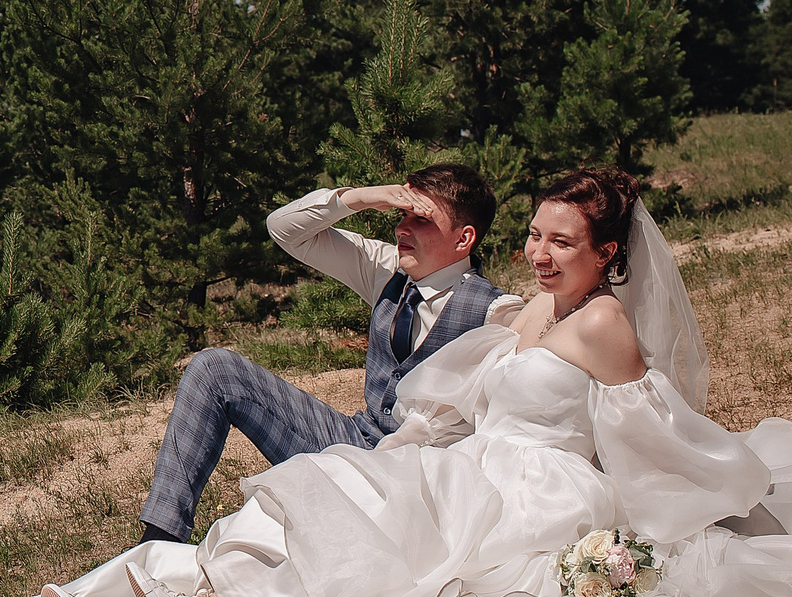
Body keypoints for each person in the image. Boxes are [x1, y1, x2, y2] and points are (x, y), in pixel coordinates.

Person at [37, 167, 792, 597]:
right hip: (470, 459)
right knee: (341, 491)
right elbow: (299, 237)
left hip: (537, 486)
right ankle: (158, 590)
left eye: (559, 240)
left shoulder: (602, 322)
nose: (540, 252)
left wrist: (695, 503)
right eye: (535, 235)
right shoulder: (526, 305)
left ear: (607, 251)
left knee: (391, 539)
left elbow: (652, 430)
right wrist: (372, 198)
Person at [135, 164, 523, 548]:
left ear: (464, 238)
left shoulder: (497, 314)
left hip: (417, 485)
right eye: (402, 214)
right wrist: (364, 197)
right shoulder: (386, 269)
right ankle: (157, 545)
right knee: (214, 369)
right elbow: (284, 229)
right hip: (353, 442)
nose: (402, 228)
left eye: (420, 219)